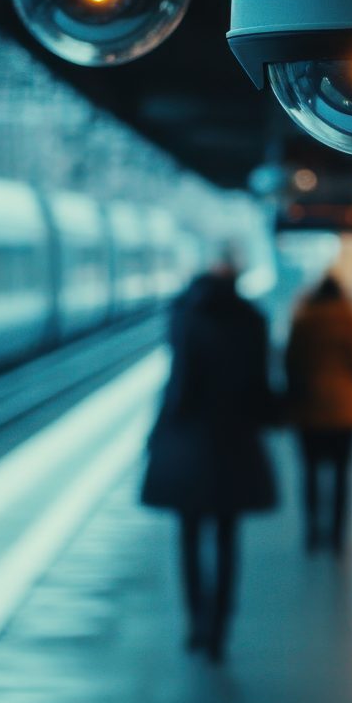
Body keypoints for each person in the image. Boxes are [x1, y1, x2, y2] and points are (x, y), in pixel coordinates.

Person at [141, 265, 277, 663]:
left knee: (187, 535)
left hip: (190, 446)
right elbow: (261, 388)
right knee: (227, 536)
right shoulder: (251, 320)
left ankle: (195, 621)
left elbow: (179, 387)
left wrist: (158, 434)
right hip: (236, 443)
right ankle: (220, 627)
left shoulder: (187, 320)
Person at [285, 275, 352, 555]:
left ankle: (312, 531)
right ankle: (338, 535)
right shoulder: (351, 322)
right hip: (345, 412)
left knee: (309, 472)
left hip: (309, 409)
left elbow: (290, 364)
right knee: (342, 474)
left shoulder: (303, 321)